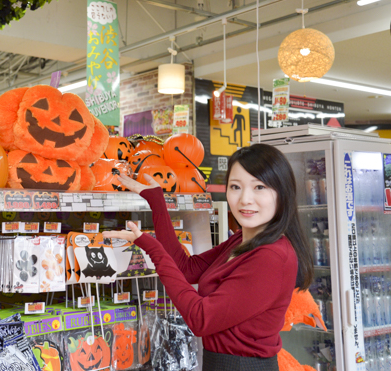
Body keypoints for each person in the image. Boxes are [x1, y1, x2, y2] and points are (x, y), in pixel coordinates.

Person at [103, 143, 314, 371]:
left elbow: (200, 318)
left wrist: (153, 249)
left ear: (282, 192)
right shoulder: (244, 240)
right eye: (235, 187)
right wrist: (157, 202)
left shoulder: (271, 257)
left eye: (259, 187)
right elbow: (186, 268)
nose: (245, 199)